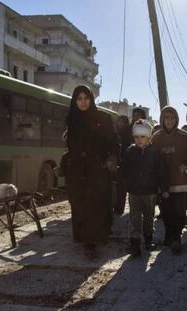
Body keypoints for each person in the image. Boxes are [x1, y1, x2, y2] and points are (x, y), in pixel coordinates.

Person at [61, 85, 118, 259]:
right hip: (77, 171)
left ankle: (95, 239)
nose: (83, 102)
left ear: (91, 99)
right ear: (75, 101)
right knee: (80, 205)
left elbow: (114, 142)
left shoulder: (103, 118)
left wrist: (112, 158)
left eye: (86, 98)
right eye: (79, 98)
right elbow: (70, 147)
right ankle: (87, 241)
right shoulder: (71, 119)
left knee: (98, 205)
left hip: (97, 171)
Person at [152, 106, 187, 254]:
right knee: (166, 211)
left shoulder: (185, 137)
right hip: (163, 185)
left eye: (172, 118)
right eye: (167, 117)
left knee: (178, 212)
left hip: (180, 183)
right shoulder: (156, 138)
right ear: (162, 119)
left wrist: (185, 168)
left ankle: (177, 238)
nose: (170, 120)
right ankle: (169, 235)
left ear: (176, 119)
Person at [122, 120, 168, 257]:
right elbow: (124, 170)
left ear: (149, 137)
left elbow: (161, 172)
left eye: (142, 136)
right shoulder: (130, 151)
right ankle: (135, 243)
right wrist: (124, 183)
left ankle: (148, 239)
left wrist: (164, 189)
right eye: (136, 137)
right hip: (134, 192)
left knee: (148, 217)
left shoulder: (155, 152)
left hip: (150, 192)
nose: (139, 140)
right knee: (134, 217)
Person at [114, 115, 132, 215]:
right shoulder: (115, 134)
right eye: (118, 121)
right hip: (115, 163)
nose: (120, 123)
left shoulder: (128, 135)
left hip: (124, 165)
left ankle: (120, 208)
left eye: (122, 122)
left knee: (122, 189)